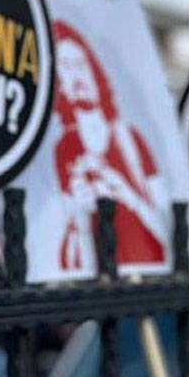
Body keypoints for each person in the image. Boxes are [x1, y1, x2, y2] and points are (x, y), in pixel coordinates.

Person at [51, 21, 168, 270]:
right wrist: (79, 215)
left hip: (147, 272)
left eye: (79, 64)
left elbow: (170, 229)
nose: (75, 76)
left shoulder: (131, 139)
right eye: (65, 68)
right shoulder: (65, 148)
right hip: (100, 278)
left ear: (93, 69)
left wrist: (128, 195)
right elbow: (69, 259)